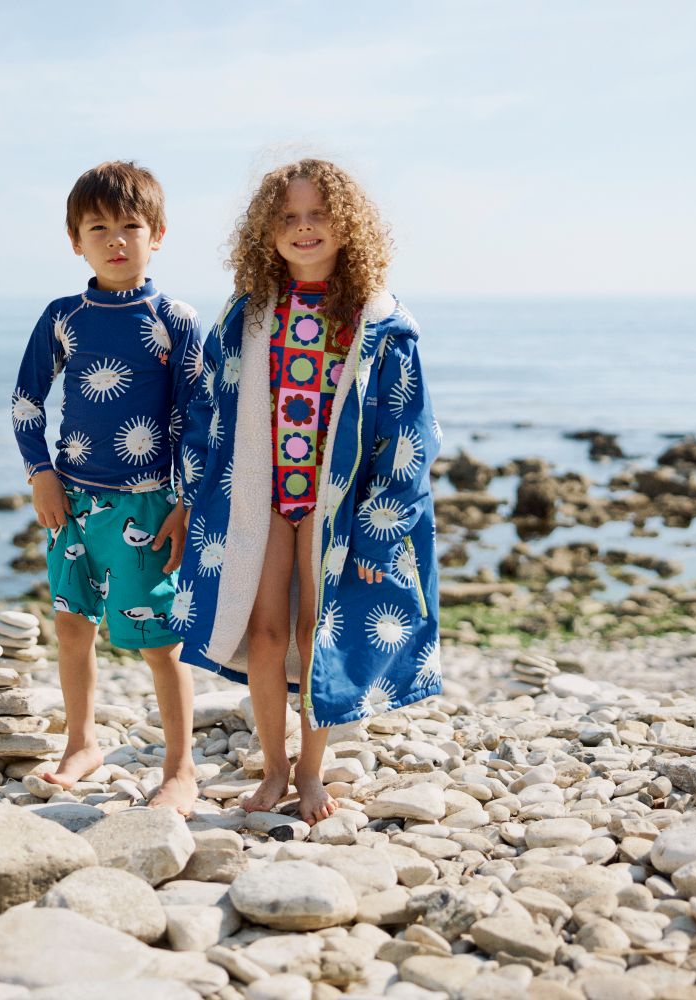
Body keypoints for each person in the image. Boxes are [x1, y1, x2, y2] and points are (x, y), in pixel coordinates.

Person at [174, 159, 441, 825]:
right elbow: (207, 411)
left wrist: (384, 529)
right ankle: (272, 767)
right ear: (266, 232)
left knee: (316, 630)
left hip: (338, 509)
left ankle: (312, 773)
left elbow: (407, 434)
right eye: (288, 217)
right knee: (264, 634)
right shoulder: (248, 315)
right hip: (259, 500)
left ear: (346, 225)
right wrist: (185, 498)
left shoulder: (378, 321)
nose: (303, 228)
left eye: (317, 215)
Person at [12, 160, 203, 814]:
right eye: (99, 228)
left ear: (159, 234)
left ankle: (181, 769)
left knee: (159, 642)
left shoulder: (174, 317)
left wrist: (186, 502)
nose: (116, 240)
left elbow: (196, 416)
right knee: (71, 626)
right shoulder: (65, 315)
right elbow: (26, 399)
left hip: (149, 504)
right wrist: (40, 473)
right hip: (73, 502)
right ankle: (81, 742)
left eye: (131, 226)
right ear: (76, 241)